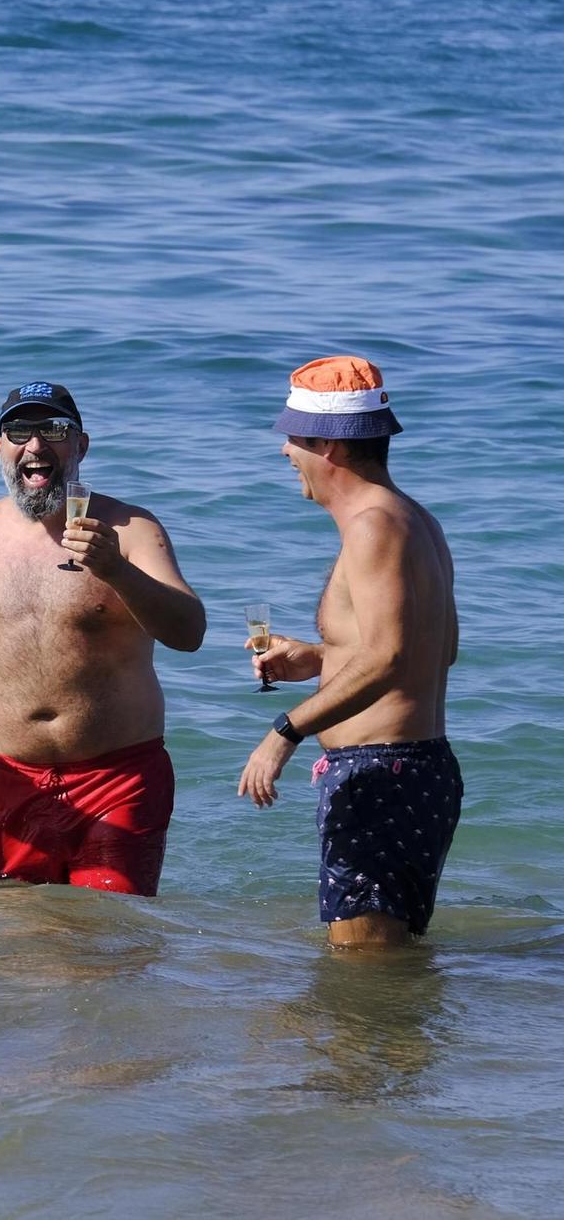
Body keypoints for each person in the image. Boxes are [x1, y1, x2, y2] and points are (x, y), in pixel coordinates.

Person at [0, 382, 205, 896]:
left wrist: (117, 572)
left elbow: (188, 631)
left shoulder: (129, 529)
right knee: (19, 938)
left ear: (80, 446)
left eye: (54, 430)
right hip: (12, 777)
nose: (36, 446)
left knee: (107, 933)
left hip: (119, 778)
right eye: (20, 431)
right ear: (0, 447)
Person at [237, 357, 460, 946]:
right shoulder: (415, 519)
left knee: (364, 977)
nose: (286, 451)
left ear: (329, 445)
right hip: (411, 771)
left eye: (293, 438)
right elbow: (437, 651)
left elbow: (388, 658)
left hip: (380, 776)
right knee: (387, 970)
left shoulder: (371, 526)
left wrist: (284, 732)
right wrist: (318, 658)